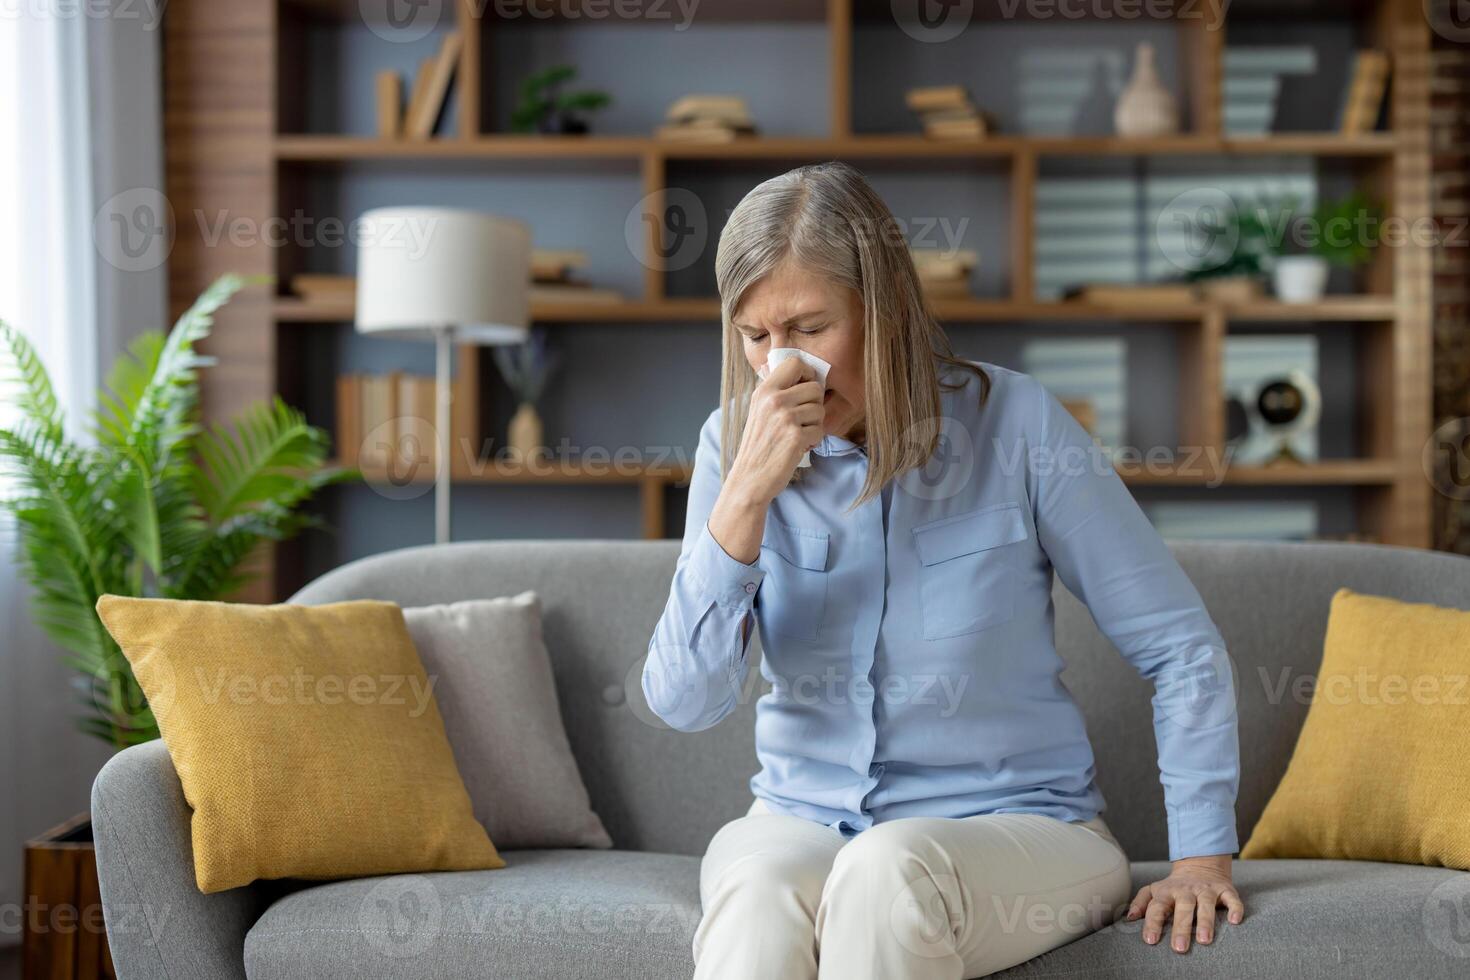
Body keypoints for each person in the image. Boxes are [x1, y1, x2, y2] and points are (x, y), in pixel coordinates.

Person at [642, 161, 1244, 980]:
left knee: (888, 871)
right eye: (756, 337)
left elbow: (1181, 647)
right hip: (802, 818)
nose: (784, 368)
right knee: (754, 890)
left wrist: (1202, 857)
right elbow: (683, 701)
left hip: (1022, 829)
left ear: (882, 313)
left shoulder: (1016, 424)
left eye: (812, 328)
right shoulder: (732, 446)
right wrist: (745, 497)